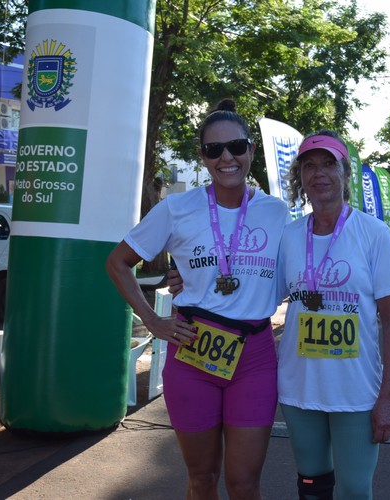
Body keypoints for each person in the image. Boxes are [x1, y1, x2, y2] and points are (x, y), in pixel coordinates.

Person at [106, 98, 291, 499]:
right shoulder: (177, 209)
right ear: (203, 157)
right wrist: (153, 322)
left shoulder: (276, 213)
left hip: (254, 357)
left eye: (236, 147)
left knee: (243, 483)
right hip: (192, 351)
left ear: (251, 151)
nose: (227, 157)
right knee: (202, 478)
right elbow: (118, 263)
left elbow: (297, 272)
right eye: (213, 150)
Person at [277, 130, 390, 499]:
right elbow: (255, 296)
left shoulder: (373, 234)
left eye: (328, 164)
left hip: (356, 393)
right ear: (300, 178)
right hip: (299, 389)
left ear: (345, 173)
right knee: (312, 486)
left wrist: (388, 399)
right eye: (309, 166)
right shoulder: (288, 236)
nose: (318, 173)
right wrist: (187, 279)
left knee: (354, 489)